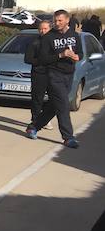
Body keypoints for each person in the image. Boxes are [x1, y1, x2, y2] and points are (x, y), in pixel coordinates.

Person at [26, 9, 83, 148]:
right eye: (55, 21)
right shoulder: (48, 37)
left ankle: (34, 126)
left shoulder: (74, 35)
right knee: (63, 105)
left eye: (60, 21)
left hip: (69, 74)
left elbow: (80, 52)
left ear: (67, 20)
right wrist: (60, 55)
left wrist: (77, 57)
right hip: (53, 74)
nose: (57, 23)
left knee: (54, 105)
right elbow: (43, 59)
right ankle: (68, 137)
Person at [24, 19, 52, 128]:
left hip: (52, 73)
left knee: (53, 99)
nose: (43, 31)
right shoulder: (34, 42)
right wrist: (41, 61)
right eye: (41, 29)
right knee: (37, 99)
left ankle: (45, 118)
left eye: (45, 29)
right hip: (38, 74)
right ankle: (35, 120)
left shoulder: (54, 42)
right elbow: (27, 59)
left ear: (50, 29)